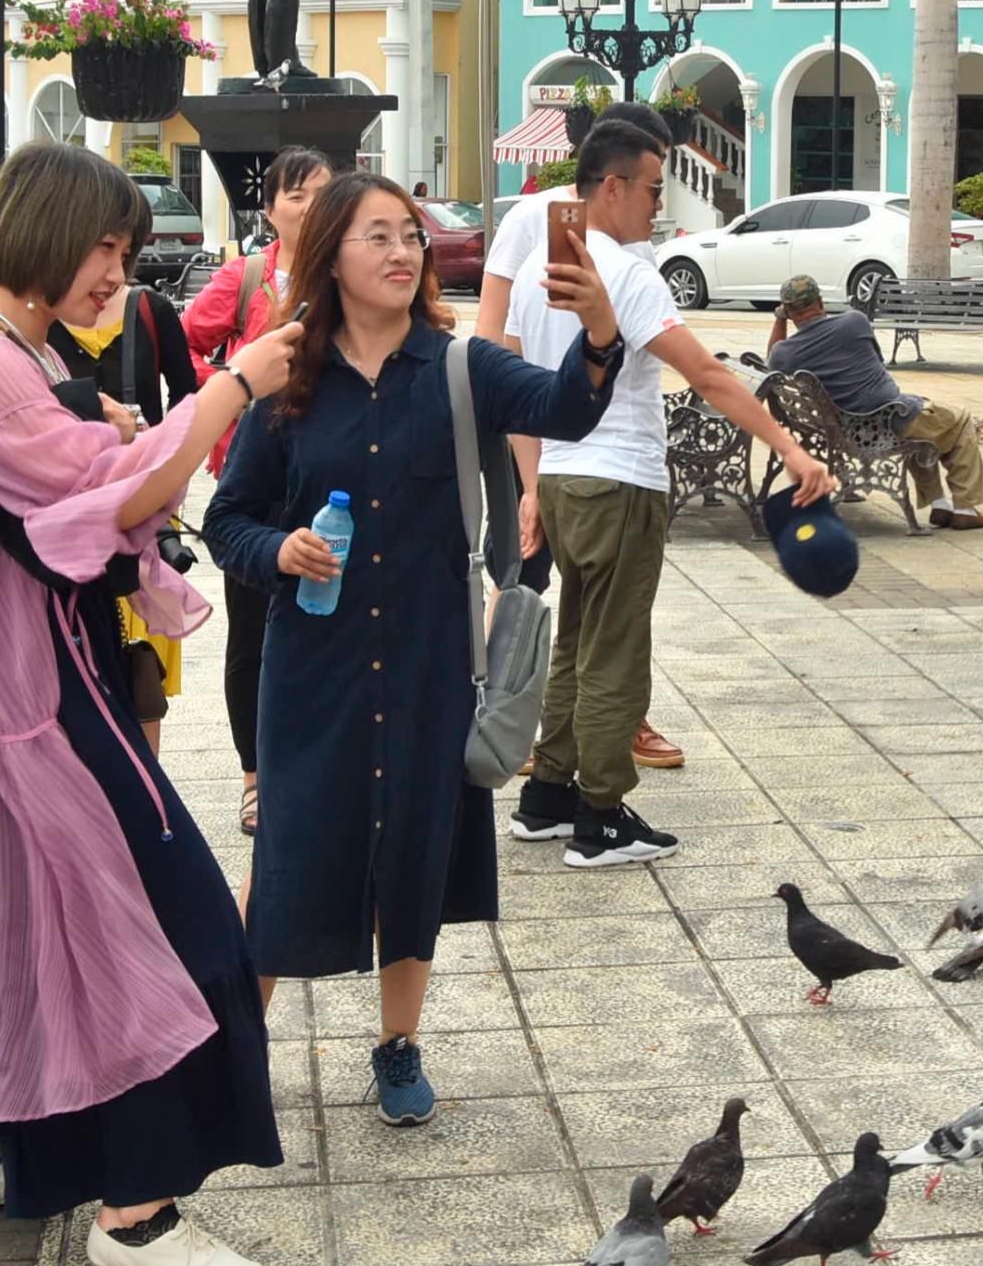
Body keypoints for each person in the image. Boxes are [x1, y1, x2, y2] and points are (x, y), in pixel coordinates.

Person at [0, 143, 298, 1266]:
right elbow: (110, 500)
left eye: (127, 255)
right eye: (106, 248)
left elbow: (82, 495)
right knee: (173, 928)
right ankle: (133, 1214)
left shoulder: (9, 356)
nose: (118, 277)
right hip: (31, 701)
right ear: (42, 231)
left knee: (34, 920)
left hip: (24, 692)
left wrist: (121, 430)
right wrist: (234, 385)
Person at [204, 172, 623, 1127]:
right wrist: (280, 550)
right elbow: (227, 516)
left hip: (435, 663)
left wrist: (598, 333)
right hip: (316, 669)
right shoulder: (284, 378)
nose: (402, 253)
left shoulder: (461, 366)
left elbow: (568, 408)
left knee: (415, 858)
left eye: (411, 236)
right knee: (292, 855)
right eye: (377, 236)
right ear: (331, 257)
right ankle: (233, 1052)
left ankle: (398, 1046)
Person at [505, 122, 835, 867]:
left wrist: (531, 486)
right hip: (618, 480)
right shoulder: (626, 272)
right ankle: (600, 817)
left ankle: (547, 794)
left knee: (578, 639)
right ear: (613, 187)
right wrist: (788, 448)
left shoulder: (535, 267)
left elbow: (519, 390)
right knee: (614, 647)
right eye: (654, 188)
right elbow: (710, 376)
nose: (658, 205)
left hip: (560, 476)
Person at [476, 102, 687, 771]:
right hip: (535, 433)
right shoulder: (527, 224)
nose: (658, 194)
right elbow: (494, 337)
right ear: (614, 172)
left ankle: (593, 736)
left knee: (588, 615)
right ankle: (509, 731)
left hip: (589, 450)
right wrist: (525, 476)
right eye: (652, 178)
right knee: (523, 590)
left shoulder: (632, 246)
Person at [183, 147, 334, 835]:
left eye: (322, 193)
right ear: (270, 207)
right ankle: (253, 777)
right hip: (256, 473)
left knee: (323, 626)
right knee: (252, 635)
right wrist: (229, 394)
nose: (308, 206)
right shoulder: (245, 276)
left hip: (331, 477)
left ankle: (315, 763)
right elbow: (183, 342)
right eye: (295, 195)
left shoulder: (346, 270)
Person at [47, 280, 198, 756]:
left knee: (142, 675)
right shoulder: (34, 313)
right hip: (64, 518)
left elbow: (187, 396)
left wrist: (164, 459)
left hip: (143, 517)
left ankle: (149, 799)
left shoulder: (150, 309)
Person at [766, 273, 983, 530]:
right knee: (960, 419)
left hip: (845, 429)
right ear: (820, 302)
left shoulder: (785, 353)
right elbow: (876, 359)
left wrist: (779, 318)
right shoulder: (854, 322)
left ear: (788, 311)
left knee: (923, 424)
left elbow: (772, 360)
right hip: (888, 420)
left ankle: (940, 504)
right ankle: (966, 507)